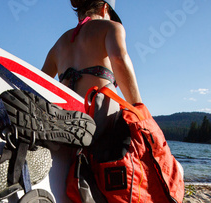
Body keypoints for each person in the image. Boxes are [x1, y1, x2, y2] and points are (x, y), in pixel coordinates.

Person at [42, 0, 142, 135]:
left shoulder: (59, 43)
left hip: (62, 124)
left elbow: (42, 83)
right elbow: (119, 60)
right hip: (96, 127)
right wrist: (139, 110)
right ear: (104, 8)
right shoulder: (111, 27)